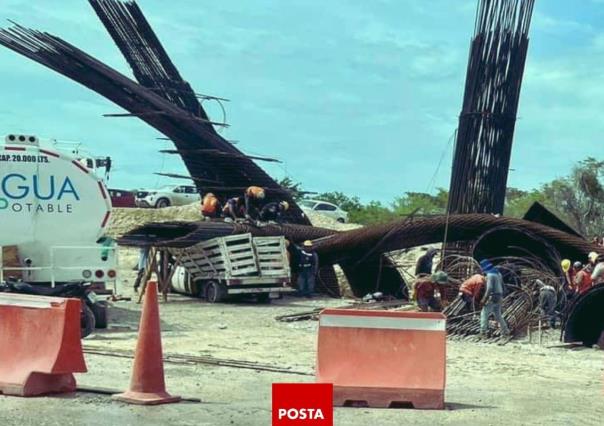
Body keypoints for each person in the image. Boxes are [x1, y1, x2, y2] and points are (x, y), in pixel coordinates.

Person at [479, 259, 510, 337]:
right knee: (498, 315)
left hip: (493, 296)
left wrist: (484, 299)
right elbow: (503, 286)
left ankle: (483, 332)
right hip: (500, 296)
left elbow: (489, 288)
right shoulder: (498, 274)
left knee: (484, 313)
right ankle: (506, 331)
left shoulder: (490, 275)